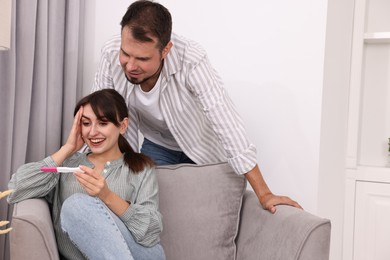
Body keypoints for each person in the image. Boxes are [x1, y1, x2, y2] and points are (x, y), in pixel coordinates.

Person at [93, 0, 302, 213]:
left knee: (204, 212)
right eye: (126, 53)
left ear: (166, 50)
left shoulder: (191, 60)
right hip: (157, 145)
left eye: (142, 58)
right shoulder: (110, 54)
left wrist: (264, 193)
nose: (130, 66)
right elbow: (98, 118)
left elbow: (225, 121)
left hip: (201, 147)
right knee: (153, 208)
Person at [7, 89, 165, 260]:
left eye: (103, 123)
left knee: (77, 204)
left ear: (122, 126)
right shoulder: (68, 165)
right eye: (86, 123)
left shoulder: (141, 168)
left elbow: (150, 233)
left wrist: (107, 196)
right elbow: (16, 188)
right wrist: (67, 149)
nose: (92, 132)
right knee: (75, 206)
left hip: (143, 254)